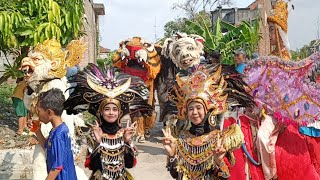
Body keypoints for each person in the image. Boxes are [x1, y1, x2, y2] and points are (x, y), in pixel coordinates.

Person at [162, 64, 255, 179]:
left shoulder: (220, 139)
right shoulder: (181, 139)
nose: (194, 112)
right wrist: (171, 154)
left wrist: (218, 160)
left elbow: (225, 177)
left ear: (207, 111)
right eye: (191, 109)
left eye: (198, 108)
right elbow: (175, 175)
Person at [64, 63, 154, 179]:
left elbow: (130, 164)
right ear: (100, 112)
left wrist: (126, 141)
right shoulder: (94, 133)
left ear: (120, 113)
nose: (111, 113)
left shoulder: (123, 132)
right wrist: (98, 142)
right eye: (107, 109)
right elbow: (93, 166)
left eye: (114, 109)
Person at [28, 88, 77, 180]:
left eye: (39, 111)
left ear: (49, 112)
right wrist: (37, 131)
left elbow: (57, 167)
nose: (38, 115)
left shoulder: (58, 135)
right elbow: (47, 148)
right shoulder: (56, 130)